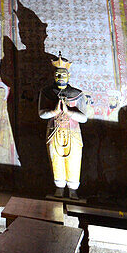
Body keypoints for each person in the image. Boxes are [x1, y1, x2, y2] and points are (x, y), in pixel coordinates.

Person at [38, 54, 88, 197]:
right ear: (53, 75)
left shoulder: (77, 94)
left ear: (69, 75)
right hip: (54, 131)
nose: (60, 76)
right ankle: (59, 187)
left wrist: (69, 112)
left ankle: (73, 190)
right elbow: (41, 114)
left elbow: (84, 118)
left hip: (73, 133)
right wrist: (54, 111)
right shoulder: (46, 92)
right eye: (57, 73)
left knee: (74, 160)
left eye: (63, 74)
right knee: (56, 159)